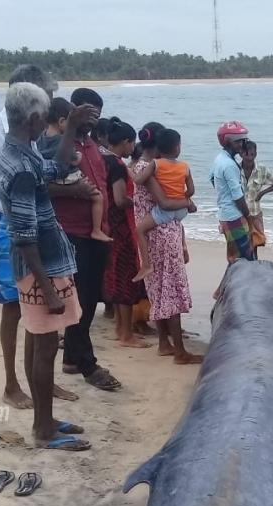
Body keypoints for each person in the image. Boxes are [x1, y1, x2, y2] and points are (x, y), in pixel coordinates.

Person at [0, 64, 75, 409]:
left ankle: (42, 381)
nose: (52, 102)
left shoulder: (32, 134)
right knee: (13, 307)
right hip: (1, 221)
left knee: (37, 306)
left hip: (31, 223)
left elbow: (46, 170)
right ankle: (11, 384)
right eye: (47, 96)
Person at [0, 82, 92, 451]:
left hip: (45, 262)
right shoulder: (19, 165)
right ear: (35, 118)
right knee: (46, 343)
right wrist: (48, 288)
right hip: (41, 266)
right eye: (45, 119)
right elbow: (23, 233)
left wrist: (70, 130)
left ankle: (45, 419)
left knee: (40, 339)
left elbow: (54, 168)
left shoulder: (19, 151)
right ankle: (44, 430)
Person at [48, 87, 121, 392]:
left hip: (96, 230)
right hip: (71, 231)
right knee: (79, 299)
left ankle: (73, 358)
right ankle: (88, 364)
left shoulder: (90, 144)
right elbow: (43, 183)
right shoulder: (57, 143)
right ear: (73, 109)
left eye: (97, 113)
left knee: (90, 298)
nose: (93, 118)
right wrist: (72, 192)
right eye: (88, 111)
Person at [133, 124, 203, 363]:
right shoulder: (149, 169)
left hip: (153, 233)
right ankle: (180, 351)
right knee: (171, 289)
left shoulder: (142, 167)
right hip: (162, 233)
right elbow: (166, 202)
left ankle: (164, 343)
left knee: (159, 289)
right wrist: (187, 203)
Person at [100, 119, 150, 349]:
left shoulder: (102, 159)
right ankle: (126, 334)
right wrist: (139, 204)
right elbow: (120, 199)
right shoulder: (117, 165)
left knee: (116, 278)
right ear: (127, 142)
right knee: (126, 278)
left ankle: (121, 329)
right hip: (121, 227)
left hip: (107, 224)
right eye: (132, 144)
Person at [39, 98, 111, 244]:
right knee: (97, 197)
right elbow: (41, 186)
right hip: (71, 229)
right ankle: (96, 230)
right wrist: (74, 189)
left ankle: (97, 229)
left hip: (100, 229)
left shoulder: (93, 145)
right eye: (87, 115)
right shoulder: (64, 142)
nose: (92, 121)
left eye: (96, 116)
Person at [133, 128, 196, 281]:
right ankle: (183, 247)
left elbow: (139, 180)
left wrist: (129, 171)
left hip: (165, 211)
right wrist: (184, 199)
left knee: (140, 230)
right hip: (181, 211)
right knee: (177, 226)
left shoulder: (155, 164)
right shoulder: (185, 166)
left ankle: (146, 265)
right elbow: (192, 190)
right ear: (177, 148)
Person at [210, 121, 254, 292]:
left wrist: (223, 196)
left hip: (225, 214)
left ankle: (223, 290)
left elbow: (212, 178)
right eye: (239, 141)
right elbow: (237, 196)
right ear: (229, 141)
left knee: (236, 257)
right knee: (243, 259)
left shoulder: (220, 159)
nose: (242, 144)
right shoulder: (229, 165)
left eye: (243, 140)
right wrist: (248, 216)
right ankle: (223, 291)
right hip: (234, 216)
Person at [241, 140, 273, 258]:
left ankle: (254, 268)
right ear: (241, 153)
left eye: (252, 154)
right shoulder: (235, 168)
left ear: (256, 154)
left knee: (255, 246)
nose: (249, 158)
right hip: (239, 214)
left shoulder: (261, 169)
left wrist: (262, 193)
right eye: (246, 154)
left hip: (254, 213)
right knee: (240, 247)